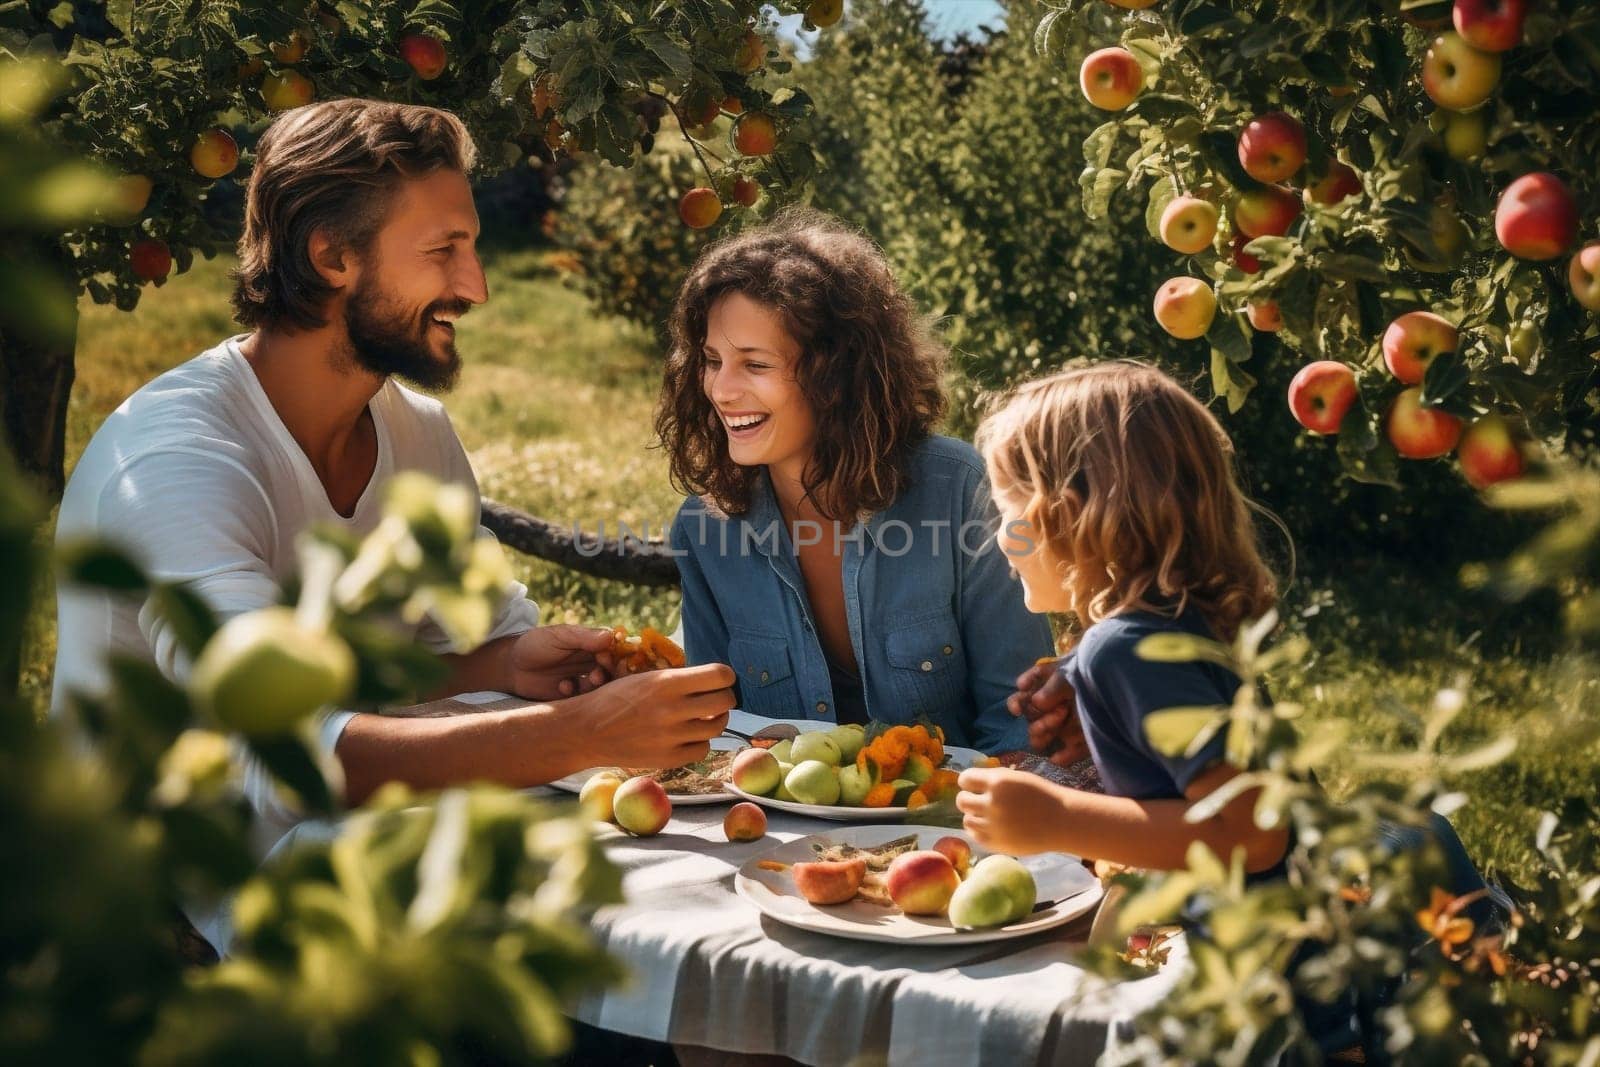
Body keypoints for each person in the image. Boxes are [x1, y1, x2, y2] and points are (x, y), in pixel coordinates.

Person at [51, 99, 733, 948]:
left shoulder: (414, 431)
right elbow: (287, 750)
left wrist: (510, 661)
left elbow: (407, 669)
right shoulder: (173, 462)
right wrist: (579, 733)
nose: (476, 286)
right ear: (331, 256)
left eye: (473, 247)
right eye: (445, 250)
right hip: (151, 924)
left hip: (355, 874)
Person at [957, 361, 1501, 1052]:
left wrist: (1058, 817)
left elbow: (1247, 832)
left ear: (1077, 513)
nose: (1000, 540)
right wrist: (1082, 680)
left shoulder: (1123, 650)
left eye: (1010, 513)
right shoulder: (1176, 624)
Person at [659, 209, 1053, 753]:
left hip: (953, 823)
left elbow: (1019, 723)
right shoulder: (706, 529)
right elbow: (714, 733)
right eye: (710, 360)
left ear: (835, 376)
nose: (721, 390)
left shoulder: (962, 493)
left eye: (755, 365)